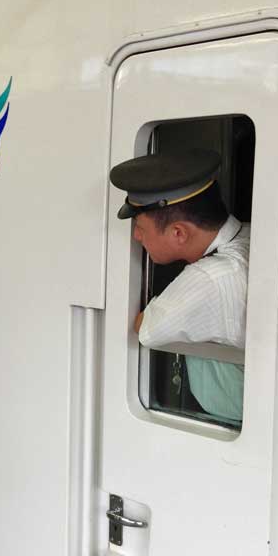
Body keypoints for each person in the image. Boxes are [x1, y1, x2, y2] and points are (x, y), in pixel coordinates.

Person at [109, 149, 249, 424]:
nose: (136, 237)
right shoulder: (248, 231)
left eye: (140, 227)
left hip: (226, 422)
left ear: (178, 233)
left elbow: (145, 328)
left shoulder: (210, 278)